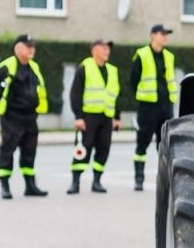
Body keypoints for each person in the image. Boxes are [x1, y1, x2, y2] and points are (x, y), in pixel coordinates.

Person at [0, 35, 48, 199]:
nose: (32, 50)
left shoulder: (34, 67)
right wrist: (4, 111)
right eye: (28, 46)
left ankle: (30, 185)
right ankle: (5, 186)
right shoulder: (7, 67)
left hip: (30, 117)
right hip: (12, 117)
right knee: (8, 150)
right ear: (18, 49)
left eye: (33, 46)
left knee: (30, 150)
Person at [126, 23, 178, 191]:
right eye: (162, 34)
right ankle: (139, 179)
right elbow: (133, 81)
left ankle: (166, 181)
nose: (165, 37)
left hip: (166, 106)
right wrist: (143, 97)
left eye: (166, 34)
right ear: (153, 35)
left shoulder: (169, 56)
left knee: (165, 145)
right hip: (148, 107)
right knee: (142, 143)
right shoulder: (142, 55)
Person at [68, 39, 121, 194]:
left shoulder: (112, 70)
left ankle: (97, 181)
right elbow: (75, 94)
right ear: (94, 50)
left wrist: (117, 117)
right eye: (103, 48)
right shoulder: (84, 68)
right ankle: (75, 182)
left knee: (104, 148)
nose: (107, 51)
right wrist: (78, 117)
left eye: (108, 49)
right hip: (88, 116)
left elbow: (114, 95)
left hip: (106, 117)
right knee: (83, 148)